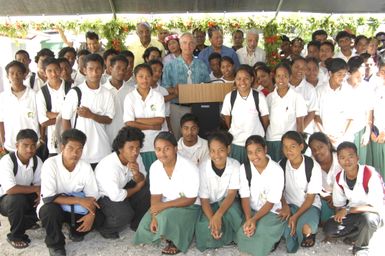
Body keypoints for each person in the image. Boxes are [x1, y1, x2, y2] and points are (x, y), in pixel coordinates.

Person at [133, 132, 200, 255]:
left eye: (167, 149)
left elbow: (190, 198)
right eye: (158, 149)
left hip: (188, 206)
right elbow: (155, 195)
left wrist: (162, 208)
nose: (162, 153)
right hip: (165, 204)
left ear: (175, 149)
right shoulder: (155, 167)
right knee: (145, 224)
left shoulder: (189, 167)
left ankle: (175, 241)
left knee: (164, 218)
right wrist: (154, 215)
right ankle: (165, 232)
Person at [37, 129, 100, 256]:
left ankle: (74, 231)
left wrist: (91, 215)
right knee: (49, 211)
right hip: (55, 207)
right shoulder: (50, 164)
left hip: (74, 209)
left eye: (79, 149)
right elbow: (48, 197)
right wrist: (79, 200)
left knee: (101, 217)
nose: (75, 153)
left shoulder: (85, 167)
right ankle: (56, 245)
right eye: (70, 148)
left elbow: (92, 195)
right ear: (62, 147)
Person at [324, 142, 384, 256]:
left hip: (373, 212)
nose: (347, 161)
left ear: (357, 157)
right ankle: (356, 235)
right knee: (329, 228)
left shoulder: (369, 173)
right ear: (338, 160)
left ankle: (361, 247)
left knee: (368, 220)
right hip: (353, 214)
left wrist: (347, 211)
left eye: (351, 156)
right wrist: (338, 221)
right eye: (342, 157)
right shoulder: (339, 178)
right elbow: (338, 205)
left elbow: (376, 206)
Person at [95, 126, 150, 238]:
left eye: (138, 147)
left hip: (122, 188)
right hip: (105, 196)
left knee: (147, 189)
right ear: (120, 149)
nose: (135, 152)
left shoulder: (136, 157)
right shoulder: (110, 166)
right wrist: (137, 188)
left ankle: (136, 224)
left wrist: (136, 174)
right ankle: (106, 229)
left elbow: (142, 178)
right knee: (124, 214)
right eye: (131, 148)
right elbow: (116, 196)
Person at [61, 54, 115, 169]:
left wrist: (91, 115)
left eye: (98, 69)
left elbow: (109, 119)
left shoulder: (107, 94)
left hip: (102, 149)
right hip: (80, 151)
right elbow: (65, 119)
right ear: (84, 70)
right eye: (90, 69)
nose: (94, 73)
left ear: (103, 70)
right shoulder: (75, 92)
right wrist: (68, 144)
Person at [236, 135, 286, 256]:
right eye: (250, 153)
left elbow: (271, 201)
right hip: (252, 210)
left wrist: (254, 220)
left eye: (258, 151)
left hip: (271, 211)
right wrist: (249, 219)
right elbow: (245, 196)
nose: (255, 156)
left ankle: (271, 241)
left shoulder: (276, 170)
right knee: (244, 231)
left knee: (261, 228)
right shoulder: (244, 168)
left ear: (265, 149)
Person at [195, 131, 242, 251]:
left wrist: (219, 215)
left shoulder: (235, 165)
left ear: (228, 149)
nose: (217, 155)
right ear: (209, 151)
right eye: (212, 151)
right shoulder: (203, 167)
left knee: (234, 215)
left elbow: (231, 194)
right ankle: (221, 234)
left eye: (221, 150)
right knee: (205, 229)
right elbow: (204, 199)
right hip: (209, 205)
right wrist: (212, 220)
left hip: (227, 203)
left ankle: (232, 237)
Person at [280, 131, 323, 253]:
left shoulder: (312, 165)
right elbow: (278, 191)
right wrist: (284, 205)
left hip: (309, 206)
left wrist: (295, 217)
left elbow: (310, 199)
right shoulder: (281, 165)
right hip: (290, 205)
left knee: (306, 229)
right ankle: (291, 231)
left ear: (301, 146)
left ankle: (309, 234)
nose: (288, 150)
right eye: (285, 147)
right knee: (279, 227)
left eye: (293, 146)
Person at [162, 32, 210, 139]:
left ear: (195, 45)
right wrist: (175, 90)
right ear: (180, 45)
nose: (188, 46)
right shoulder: (170, 65)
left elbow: (208, 85)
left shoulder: (201, 64)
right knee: (177, 138)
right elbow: (164, 87)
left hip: (197, 107)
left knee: (197, 138)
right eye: (184, 43)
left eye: (191, 43)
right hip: (177, 107)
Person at [0, 129, 42, 249]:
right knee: (16, 199)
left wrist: (40, 194)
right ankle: (15, 236)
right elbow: (10, 190)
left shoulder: (36, 161)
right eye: (25, 145)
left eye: (33, 146)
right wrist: (37, 189)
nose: (29, 149)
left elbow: (41, 184)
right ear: (17, 145)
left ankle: (24, 222)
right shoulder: (7, 161)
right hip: (6, 201)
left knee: (46, 200)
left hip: (26, 195)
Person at [221, 65, 269, 164]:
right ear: (235, 79)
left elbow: (265, 120)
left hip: (256, 144)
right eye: (239, 78)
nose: (242, 82)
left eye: (246, 78)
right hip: (237, 144)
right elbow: (227, 120)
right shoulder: (230, 97)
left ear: (252, 79)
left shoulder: (259, 96)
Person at [124, 64, 165, 172]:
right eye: (141, 76)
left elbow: (160, 120)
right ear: (135, 78)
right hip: (137, 146)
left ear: (152, 77)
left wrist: (137, 120)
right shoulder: (130, 97)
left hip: (154, 144)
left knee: (156, 175)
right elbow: (129, 123)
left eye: (147, 76)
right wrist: (152, 125)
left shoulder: (158, 96)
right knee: (140, 176)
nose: (144, 80)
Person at [266, 63, 307, 161]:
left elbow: (300, 122)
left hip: (289, 142)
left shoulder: (297, 97)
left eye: (285, 76)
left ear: (290, 77)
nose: (281, 79)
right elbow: (266, 121)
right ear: (274, 77)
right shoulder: (269, 97)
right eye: (278, 76)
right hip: (272, 140)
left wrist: (300, 141)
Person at [0, 61, 40, 152]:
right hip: (11, 145)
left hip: (32, 145)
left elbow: (40, 120)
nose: (15, 76)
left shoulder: (34, 95)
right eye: (12, 73)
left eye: (19, 73)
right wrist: (3, 141)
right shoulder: (3, 97)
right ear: (7, 76)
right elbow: (1, 122)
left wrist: (40, 140)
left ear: (24, 75)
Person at [36, 58, 71, 156]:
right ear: (44, 73)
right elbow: (43, 122)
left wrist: (50, 114)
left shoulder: (71, 87)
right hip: (53, 143)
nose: (54, 74)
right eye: (49, 71)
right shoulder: (41, 93)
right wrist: (65, 116)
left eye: (56, 70)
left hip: (72, 136)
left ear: (60, 70)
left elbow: (76, 114)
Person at [315, 58, 351, 148]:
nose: (342, 78)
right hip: (323, 138)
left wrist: (341, 135)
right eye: (339, 74)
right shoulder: (319, 91)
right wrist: (325, 135)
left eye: (344, 75)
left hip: (343, 138)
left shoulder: (349, 91)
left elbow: (350, 117)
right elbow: (316, 116)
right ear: (330, 74)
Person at [344, 56, 373, 164]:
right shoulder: (342, 86)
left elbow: (369, 111)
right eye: (361, 68)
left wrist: (367, 131)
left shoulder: (367, 87)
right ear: (350, 71)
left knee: (360, 165)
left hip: (360, 131)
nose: (363, 71)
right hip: (343, 132)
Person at [308, 132, 342, 224]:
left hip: (344, 195)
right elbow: (313, 187)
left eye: (320, 147)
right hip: (325, 197)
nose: (317, 152)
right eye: (313, 149)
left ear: (328, 145)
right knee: (326, 219)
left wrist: (337, 197)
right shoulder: (311, 163)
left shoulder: (340, 159)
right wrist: (326, 196)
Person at [103, 55, 134, 145]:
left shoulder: (132, 91)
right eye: (118, 68)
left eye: (124, 69)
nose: (121, 71)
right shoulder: (103, 90)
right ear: (110, 68)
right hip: (107, 138)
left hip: (127, 138)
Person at [289, 56, 318, 135]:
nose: (300, 70)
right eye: (297, 67)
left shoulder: (310, 89)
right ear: (291, 67)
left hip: (303, 132)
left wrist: (298, 132)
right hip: (284, 131)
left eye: (304, 68)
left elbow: (311, 113)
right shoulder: (283, 85)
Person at [368, 62, 385, 178]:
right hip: (377, 133)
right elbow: (371, 111)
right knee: (379, 168)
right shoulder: (377, 89)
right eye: (382, 71)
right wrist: (372, 131)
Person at [148, 59, 172, 132]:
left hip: (161, 130)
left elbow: (167, 115)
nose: (157, 73)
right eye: (154, 70)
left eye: (160, 71)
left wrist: (169, 130)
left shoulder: (163, 91)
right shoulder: (136, 88)